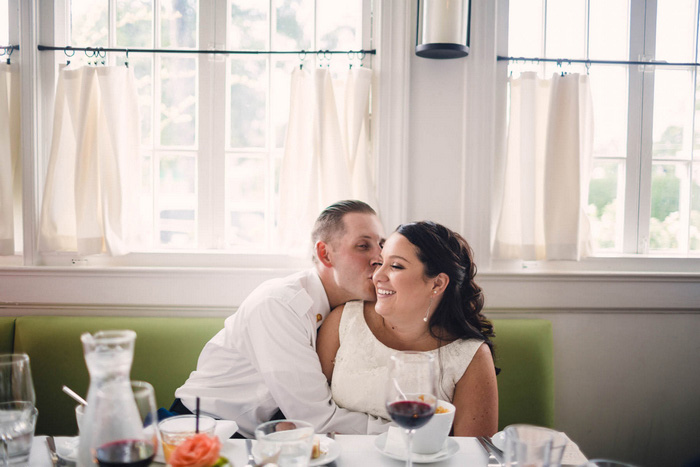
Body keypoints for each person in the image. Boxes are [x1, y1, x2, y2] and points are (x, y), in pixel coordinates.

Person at [173, 200, 391, 438]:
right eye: (363, 246)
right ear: (325, 254)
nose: (379, 258)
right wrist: (403, 430)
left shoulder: (356, 310)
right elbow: (317, 421)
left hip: (270, 434)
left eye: (381, 245)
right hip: (203, 432)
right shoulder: (279, 305)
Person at [317, 221, 499, 437]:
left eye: (396, 266)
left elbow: (474, 454)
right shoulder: (344, 321)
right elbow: (311, 415)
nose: (377, 276)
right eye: (380, 263)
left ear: (437, 284)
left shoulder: (471, 357)